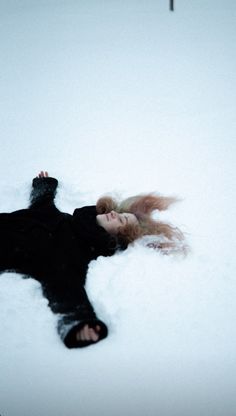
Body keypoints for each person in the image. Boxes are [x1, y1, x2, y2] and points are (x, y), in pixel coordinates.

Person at [0, 171, 186, 348]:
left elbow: (67, 287)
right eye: (120, 213)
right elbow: (42, 202)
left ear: (115, 238)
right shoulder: (61, 218)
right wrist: (45, 186)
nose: (115, 214)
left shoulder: (74, 252)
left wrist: (79, 321)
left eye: (121, 221)